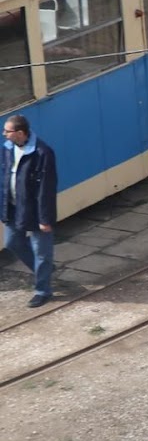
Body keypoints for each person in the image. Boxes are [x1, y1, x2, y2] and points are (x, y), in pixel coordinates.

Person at [2, 114, 57, 308]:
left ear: (20, 133)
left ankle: (43, 291)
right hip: (14, 207)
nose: (4, 134)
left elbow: (46, 189)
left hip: (36, 211)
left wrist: (45, 219)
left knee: (41, 252)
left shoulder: (42, 152)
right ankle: (45, 271)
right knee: (12, 242)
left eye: (7, 131)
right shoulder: (7, 148)